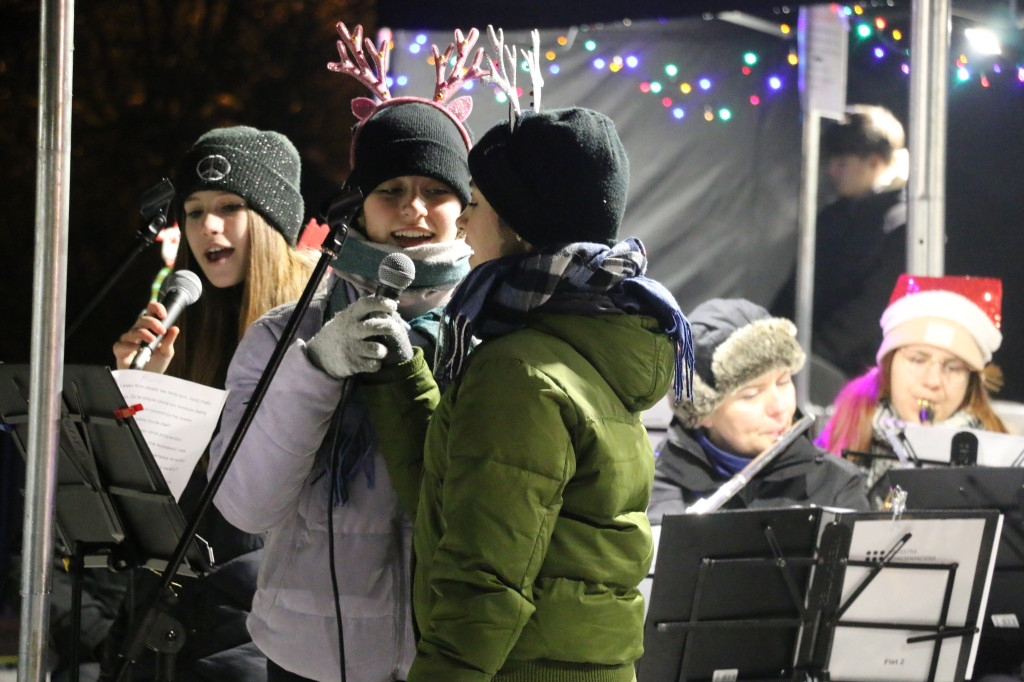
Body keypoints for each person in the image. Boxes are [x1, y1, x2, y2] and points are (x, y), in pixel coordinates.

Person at [359, 86, 695, 678]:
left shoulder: (518, 371)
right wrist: (401, 375)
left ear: (520, 225)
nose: (461, 219)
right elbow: (457, 499)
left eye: (478, 204)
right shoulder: (592, 335)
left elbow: (483, 580)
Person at [207, 23, 484, 682]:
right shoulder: (284, 333)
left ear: (465, 205)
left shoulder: (490, 327)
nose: (413, 209)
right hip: (310, 656)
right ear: (358, 203)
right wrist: (314, 372)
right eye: (390, 190)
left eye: (435, 190)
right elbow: (245, 506)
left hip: (453, 651)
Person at [100, 125, 315, 681]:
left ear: (271, 220)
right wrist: (142, 392)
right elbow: (148, 508)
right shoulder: (187, 329)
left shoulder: (315, 333)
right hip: (172, 635)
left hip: (268, 647)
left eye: (229, 206)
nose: (207, 226)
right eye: (193, 211)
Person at [648, 298, 870, 524]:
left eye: (784, 382)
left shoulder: (836, 485)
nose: (779, 407)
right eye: (751, 395)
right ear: (702, 411)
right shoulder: (648, 489)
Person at [817, 274, 1008, 506]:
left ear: (971, 384)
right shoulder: (843, 431)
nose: (933, 381)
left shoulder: (1000, 459)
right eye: (918, 360)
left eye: (953, 368)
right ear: (888, 366)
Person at [772, 104, 908, 380]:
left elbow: (872, 310)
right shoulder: (832, 216)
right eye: (831, 161)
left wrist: (813, 356)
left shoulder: (903, 224)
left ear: (875, 162)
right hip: (805, 366)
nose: (832, 171)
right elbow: (795, 290)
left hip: (860, 379)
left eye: (842, 162)